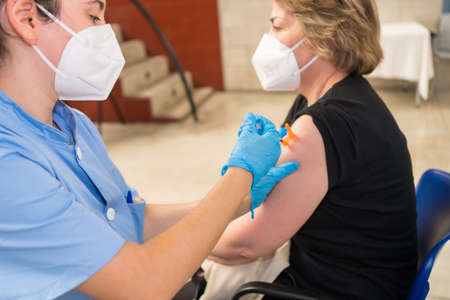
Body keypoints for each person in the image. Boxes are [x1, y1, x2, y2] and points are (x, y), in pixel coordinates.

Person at [0, 0, 299, 299]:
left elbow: (130, 223)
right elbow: (141, 285)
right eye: (93, 16)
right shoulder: (8, 161)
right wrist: (239, 176)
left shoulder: (73, 124)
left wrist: (241, 200)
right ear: (26, 19)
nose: (105, 33)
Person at [203, 0, 418, 299]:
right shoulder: (334, 97)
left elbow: (246, 245)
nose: (268, 38)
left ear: (324, 37)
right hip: (345, 269)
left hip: (345, 289)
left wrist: (182, 238)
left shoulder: (324, 125)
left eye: (277, 26)